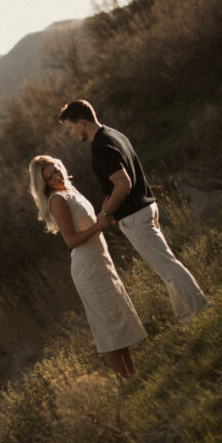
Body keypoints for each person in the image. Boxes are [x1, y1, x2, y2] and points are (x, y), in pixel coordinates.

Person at [58, 100, 208, 324]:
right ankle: (186, 318)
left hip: (135, 215)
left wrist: (106, 213)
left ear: (81, 122)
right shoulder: (114, 134)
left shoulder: (100, 146)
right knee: (165, 265)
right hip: (146, 206)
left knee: (168, 266)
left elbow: (123, 183)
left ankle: (204, 310)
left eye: (71, 127)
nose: (71, 133)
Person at [28, 154, 146, 378]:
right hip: (87, 267)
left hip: (101, 260)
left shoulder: (70, 190)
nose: (57, 174)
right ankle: (126, 379)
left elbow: (90, 224)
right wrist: (98, 225)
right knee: (107, 327)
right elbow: (71, 240)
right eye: (50, 175)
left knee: (117, 318)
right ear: (45, 184)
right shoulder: (58, 200)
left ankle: (133, 375)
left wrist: (102, 216)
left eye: (56, 168)